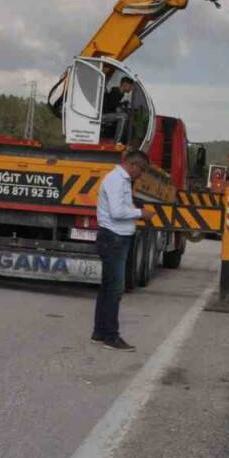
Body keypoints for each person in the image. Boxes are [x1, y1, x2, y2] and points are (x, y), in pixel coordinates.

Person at [92, 149, 148, 351]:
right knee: (115, 289)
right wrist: (141, 213)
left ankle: (99, 332)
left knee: (107, 287)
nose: (141, 175)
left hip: (114, 238)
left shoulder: (121, 180)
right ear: (133, 165)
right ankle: (111, 337)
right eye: (141, 170)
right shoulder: (117, 180)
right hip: (114, 238)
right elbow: (116, 212)